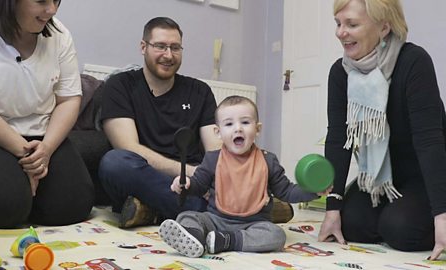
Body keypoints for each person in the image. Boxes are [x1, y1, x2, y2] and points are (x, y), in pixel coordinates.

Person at [318, 0, 446, 260]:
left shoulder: (413, 61)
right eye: (338, 23)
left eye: (351, 24)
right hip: (380, 178)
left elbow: (429, 140)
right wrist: (332, 208)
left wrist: (442, 215)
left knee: (400, 229)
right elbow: (337, 139)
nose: (340, 32)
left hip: (423, 173)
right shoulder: (340, 73)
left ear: (384, 27)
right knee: (351, 224)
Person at [0, 0, 95, 229]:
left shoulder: (60, 34)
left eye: (56, 1)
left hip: (42, 137)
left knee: (73, 204)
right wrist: (27, 156)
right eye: (41, 1)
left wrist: (45, 151)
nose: (52, 10)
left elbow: (69, 100)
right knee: (4, 206)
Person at [158, 96, 330, 258]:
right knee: (188, 217)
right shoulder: (212, 158)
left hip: (255, 224)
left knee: (276, 235)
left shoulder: (268, 160)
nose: (238, 128)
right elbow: (199, 185)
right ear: (218, 132)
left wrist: (313, 191)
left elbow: (286, 191)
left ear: (257, 129)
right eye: (229, 124)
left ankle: (226, 241)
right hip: (216, 220)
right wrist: (186, 185)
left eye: (245, 122)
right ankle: (195, 237)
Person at [98, 17, 222, 228]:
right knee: (114, 163)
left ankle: (152, 212)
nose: (168, 55)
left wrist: (216, 177)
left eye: (175, 47)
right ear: (143, 47)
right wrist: (195, 174)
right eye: (160, 46)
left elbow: (216, 151)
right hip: (145, 177)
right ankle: (211, 212)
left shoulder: (200, 91)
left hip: (192, 184)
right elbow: (128, 147)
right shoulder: (120, 86)